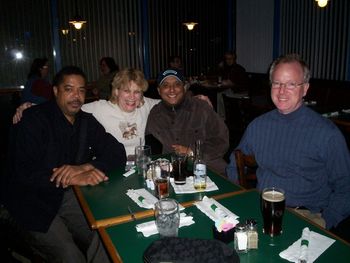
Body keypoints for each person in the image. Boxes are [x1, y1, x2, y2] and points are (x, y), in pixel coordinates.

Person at [1, 66, 126, 262]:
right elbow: (23, 174)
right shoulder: (33, 119)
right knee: (70, 255)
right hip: (30, 202)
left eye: (81, 90)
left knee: (107, 236)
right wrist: (72, 177)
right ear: (56, 91)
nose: (76, 96)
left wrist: (84, 167)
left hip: (69, 196)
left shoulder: (86, 121)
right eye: (69, 89)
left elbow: (117, 152)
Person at [226, 54, 350, 241]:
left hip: (306, 218)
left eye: (291, 84)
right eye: (277, 83)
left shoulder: (327, 134)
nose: (282, 91)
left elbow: (345, 187)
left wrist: (325, 221)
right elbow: (234, 164)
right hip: (261, 209)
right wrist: (243, 198)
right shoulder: (258, 126)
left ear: (305, 89)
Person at [146, 68, 229, 174]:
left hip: (209, 168)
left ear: (184, 87)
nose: (172, 89)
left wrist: (192, 152)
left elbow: (222, 141)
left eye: (177, 84)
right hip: (173, 172)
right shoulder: (155, 114)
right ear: (159, 90)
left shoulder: (201, 108)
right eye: (166, 85)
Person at [216, 51, 250, 118]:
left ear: (234, 59)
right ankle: (223, 115)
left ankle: (222, 117)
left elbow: (229, 83)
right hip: (234, 90)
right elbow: (221, 78)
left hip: (241, 92)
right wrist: (220, 68)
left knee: (220, 95)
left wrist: (222, 82)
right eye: (226, 59)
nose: (228, 61)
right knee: (219, 93)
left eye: (230, 58)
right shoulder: (228, 68)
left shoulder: (238, 69)